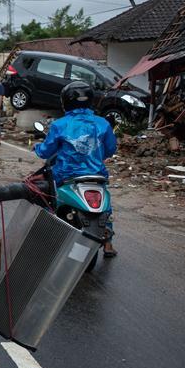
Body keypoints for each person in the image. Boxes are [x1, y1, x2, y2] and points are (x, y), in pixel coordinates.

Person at [34, 81, 118, 257]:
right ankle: (108, 243)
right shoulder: (102, 124)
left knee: (47, 197)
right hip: (96, 175)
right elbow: (111, 149)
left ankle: (51, 233)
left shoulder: (60, 125)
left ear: (65, 101)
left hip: (66, 175)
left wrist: (36, 147)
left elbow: (46, 151)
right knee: (105, 207)